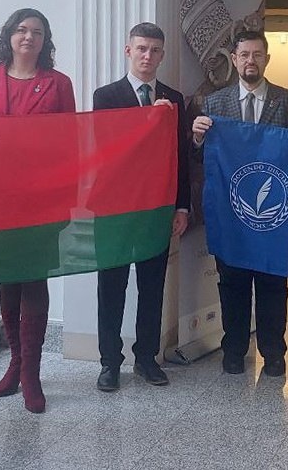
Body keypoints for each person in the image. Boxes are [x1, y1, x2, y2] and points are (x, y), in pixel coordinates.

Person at [0, 8, 75, 414]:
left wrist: (65, 198)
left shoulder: (58, 84)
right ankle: (14, 362)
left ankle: (32, 373)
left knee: (34, 278)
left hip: (40, 199)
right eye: (22, 29)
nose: (29, 37)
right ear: (9, 35)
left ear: (45, 41)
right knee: (7, 278)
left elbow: (69, 144)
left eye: (37, 32)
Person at [192, 31, 288, 377]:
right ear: (234, 59)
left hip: (276, 215)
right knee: (233, 284)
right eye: (244, 55)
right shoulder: (215, 104)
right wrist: (197, 138)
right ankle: (234, 349)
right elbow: (203, 159)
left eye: (257, 55)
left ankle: (273, 352)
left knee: (273, 285)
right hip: (231, 214)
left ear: (267, 59)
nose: (250, 61)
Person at [93, 21, 190, 391]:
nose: (147, 56)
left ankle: (147, 358)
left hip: (157, 209)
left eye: (154, 50)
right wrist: (149, 121)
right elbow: (106, 151)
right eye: (141, 49)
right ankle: (109, 362)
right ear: (128, 51)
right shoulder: (106, 96)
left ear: (162, 55)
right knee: (111, 287)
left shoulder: (174, 99)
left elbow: (180, 157)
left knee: (152, 287)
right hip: (114, 210)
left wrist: (182, 206)